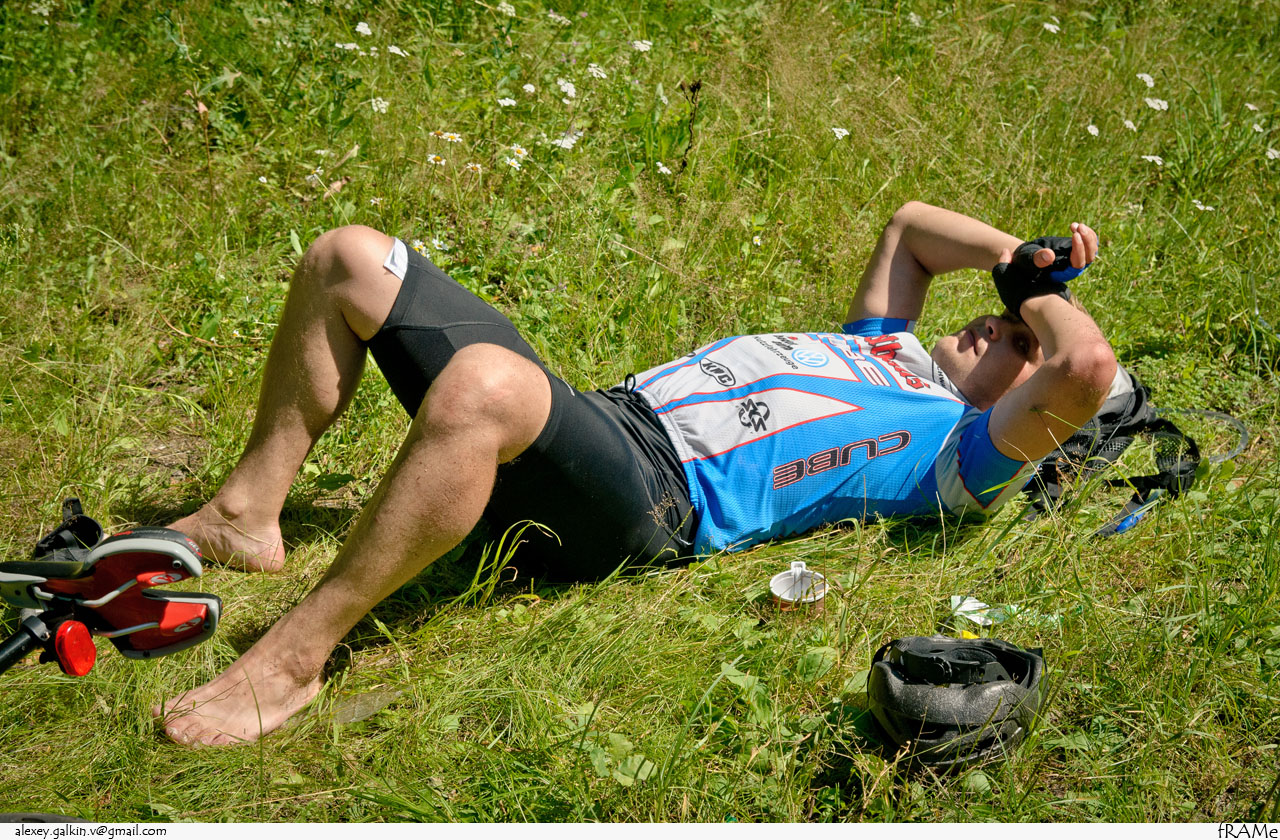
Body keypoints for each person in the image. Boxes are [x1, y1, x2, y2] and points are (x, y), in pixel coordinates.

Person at [154, 201, 1116, 745]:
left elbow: (1086, 370)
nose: (1003, 324)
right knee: (351, 258)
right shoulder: (885, 344)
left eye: (1019, 342)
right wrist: (1017, 260)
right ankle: (246, 514)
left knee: (486, 384)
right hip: (607, 420)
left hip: (655, 502)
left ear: (1026, 408)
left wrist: (1045, 303)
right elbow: (910, 227)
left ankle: (293, 660)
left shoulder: (955, 453)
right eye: (1006, 312)